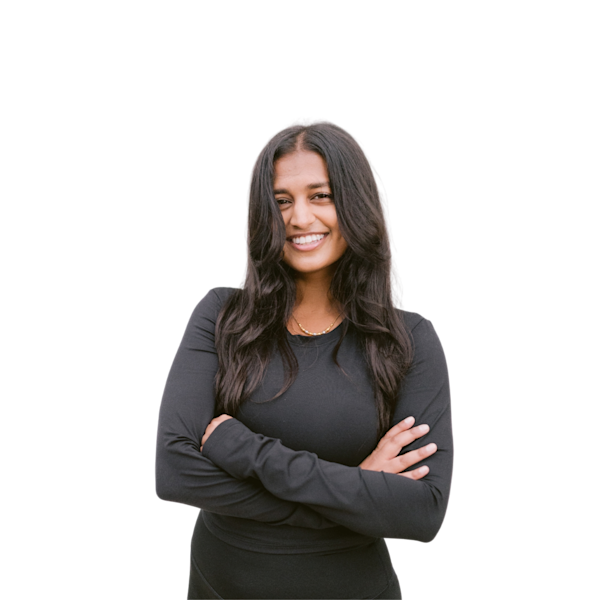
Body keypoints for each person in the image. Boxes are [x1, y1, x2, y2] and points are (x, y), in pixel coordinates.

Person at [155, 117, 453, 599]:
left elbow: (422, 512)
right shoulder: (221, 315)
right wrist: (354, 490)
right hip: (219, 586)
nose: (298, 218)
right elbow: (173, 473)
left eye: (321, 195)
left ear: (354, 203)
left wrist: (239, 447)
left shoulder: (408, 340)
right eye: (281, 201)